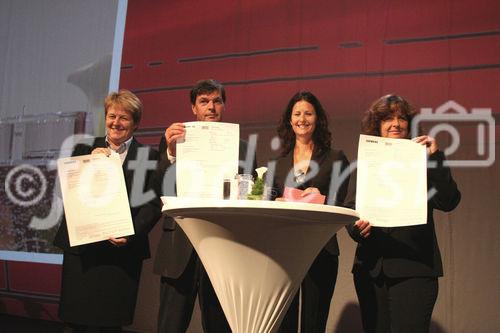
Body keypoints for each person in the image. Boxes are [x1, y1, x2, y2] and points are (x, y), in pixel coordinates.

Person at [346, 94, 461, 333]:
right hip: (371, 269)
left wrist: (436, 159)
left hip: (414, 268)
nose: (395, 124)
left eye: (401, 118)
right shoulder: (365, 162)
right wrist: (357, 229)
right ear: (377, 125)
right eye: (388, 118)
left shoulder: (424, 159)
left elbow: (448, 201)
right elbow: (350, 209)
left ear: (410, 125)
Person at [154, 79, 257, 333]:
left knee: (219, 327)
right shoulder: (175, 141)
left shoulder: (243, 148)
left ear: (224, 106)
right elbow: (159, 189)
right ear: (193, 108)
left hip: (223, 247)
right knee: (170, 326)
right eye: (204, 101)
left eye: (216, 101)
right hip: (179, 248)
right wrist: (170, 152)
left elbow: (253, 195)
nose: (211, 107)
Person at [54, 90, 160, 332]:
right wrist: (87, 165)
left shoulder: (149, 157)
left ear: (136, 123)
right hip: (83, 252)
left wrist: (131, 233)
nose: (116, 123)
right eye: (112, 116)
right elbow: (64, 191)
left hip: (121, 253)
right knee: (77, 321)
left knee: (111, 324)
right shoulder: (83, 148)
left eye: (124, 118)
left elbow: (153, 203)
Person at [271, 91, 351, 333]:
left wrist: (321, 198)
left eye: (308, 113)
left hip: (321, 249)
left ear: (317, 119)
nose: (302, 119)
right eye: (297, 114)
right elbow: (268, 202)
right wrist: (277, 200)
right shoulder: (279, 163)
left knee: (313, 322)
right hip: (285, 250)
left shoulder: (335, 158)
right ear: (289, 120)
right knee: (284, 321)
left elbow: (344, 202)